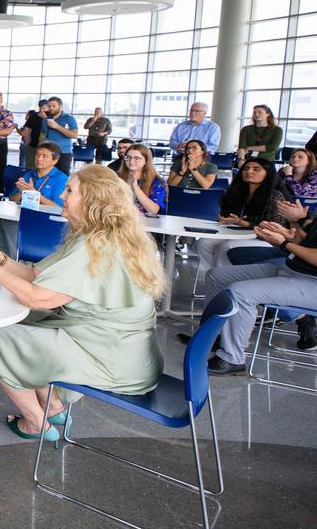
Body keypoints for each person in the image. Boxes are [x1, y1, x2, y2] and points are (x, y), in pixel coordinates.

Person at [0, 165, 166, 443]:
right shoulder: (101, 236)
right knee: (8, 327)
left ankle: (36, 421)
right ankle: (55, 407)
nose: (61, 195)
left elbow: (35, 298)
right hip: (114, 344)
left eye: (70, 190)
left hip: (112, 356)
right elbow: (38, 277)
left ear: (92, 201)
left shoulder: (94, 246)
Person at [195, 215, 317, 373]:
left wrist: (285, 243)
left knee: (240, 294)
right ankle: (215, 337)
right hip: (293, 270)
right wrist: (290, 237)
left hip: (311, 283)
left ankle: (232, 358)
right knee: (216, 276)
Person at [193, 156, 288, 271]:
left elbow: (274, 228)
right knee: (203, 243)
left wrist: (243, 223)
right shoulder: (237, 192)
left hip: (265, 239)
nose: (249, 171)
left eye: (256, 169)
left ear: (267, 174)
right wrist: (224, 218)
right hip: (237, 234)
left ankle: (222, 279)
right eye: (246, 168)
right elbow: (227, 214)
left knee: (226, 247)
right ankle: (212, 275)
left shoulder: (275, 196)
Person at [0, 142, 69, 259]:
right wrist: (20, 192)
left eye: (44, 156)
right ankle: (1, 257)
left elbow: (58, 207)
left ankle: (12, 261)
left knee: (10, 224)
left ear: (54, 161)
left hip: (46, 220)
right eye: (37, 155)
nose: (39, 159)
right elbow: (11, 199)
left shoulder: (61, 179)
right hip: (24, 214)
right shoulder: (28, 174)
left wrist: (35, 193)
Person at [115, 143, 166, 215]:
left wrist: (136, 187)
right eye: (128, 157)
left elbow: (153, 210)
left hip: (145, 222)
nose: (131, 161)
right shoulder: (116, 177)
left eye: (136, 158)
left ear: (146, 161)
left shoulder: (157, 181)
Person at [39, 96, 78, 174]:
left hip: (64, 153)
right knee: (47, 174)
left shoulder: (69, 118)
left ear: (60, 106)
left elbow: (74, 135)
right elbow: (42, 134)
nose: (51, 108)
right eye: (49, 106)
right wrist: (40, 145)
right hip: (48, 153)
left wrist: (57, 126)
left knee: (63, 177)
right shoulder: (45, 120)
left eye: (54, 106)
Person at [19, 101, 47, 167]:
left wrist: (45, 118)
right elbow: (27, 129)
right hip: (33, 146)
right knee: (31, 166)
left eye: (44, 108)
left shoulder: (50, 117)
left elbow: (46, 131)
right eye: (40, 108)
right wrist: (27, 143)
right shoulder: (34, 116)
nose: (42, 110)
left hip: (46, 147)